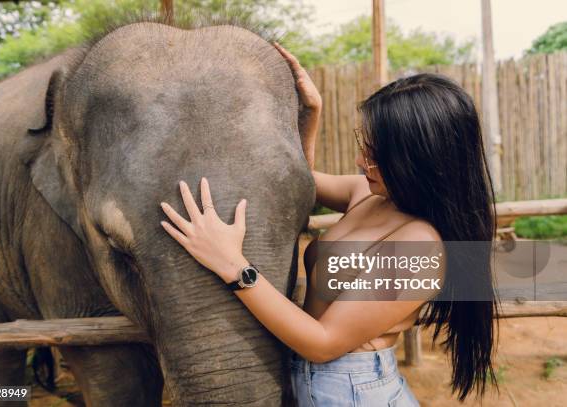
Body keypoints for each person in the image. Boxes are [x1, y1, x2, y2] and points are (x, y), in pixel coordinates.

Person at [159, 43, 497, 406]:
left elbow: (322, 342)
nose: (359, 160)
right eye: (363, 146)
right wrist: (311, 114)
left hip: (353, 391)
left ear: (419, 162)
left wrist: (233, 265)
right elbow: (295, 182)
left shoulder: (420, 246)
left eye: (375, 156)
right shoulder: (368, 194)